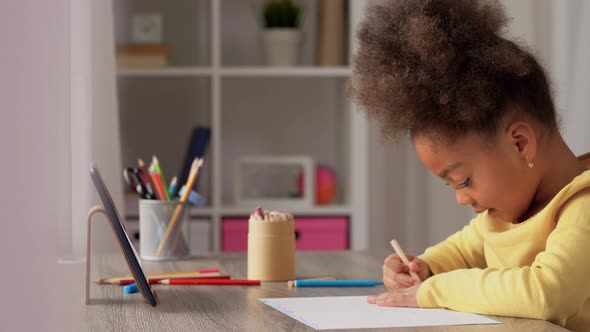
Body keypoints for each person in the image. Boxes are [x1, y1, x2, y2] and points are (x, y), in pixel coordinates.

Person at [348, 0, 590, 330]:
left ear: (519, 143)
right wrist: (423, 268)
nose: (462, 198)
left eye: (463, 181)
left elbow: (548, 293)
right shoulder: (505, 214)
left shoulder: (582, 206)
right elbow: (463, 250)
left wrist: (431, 291)